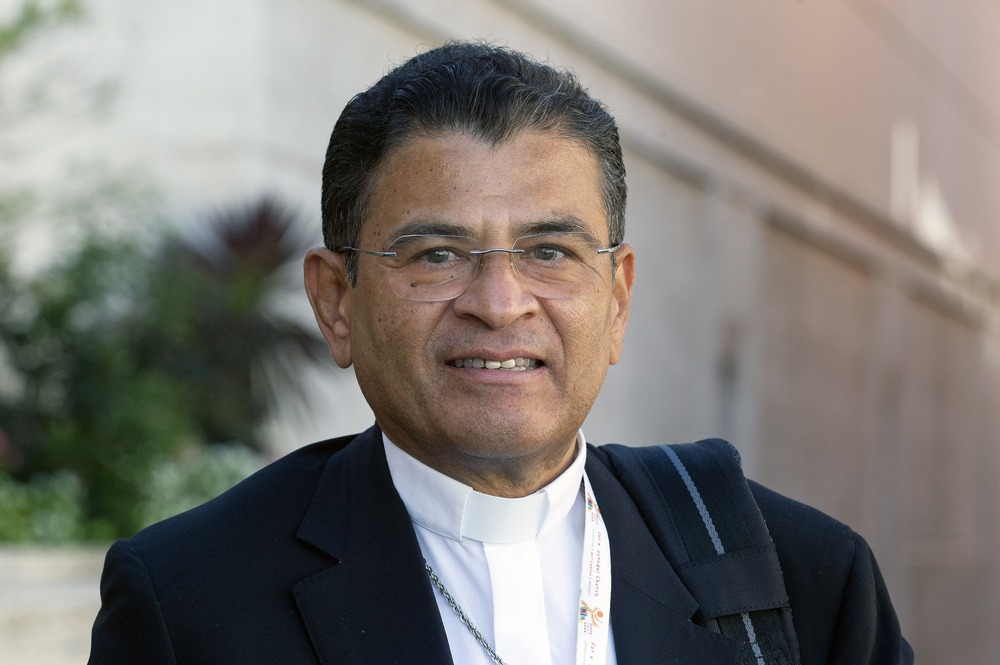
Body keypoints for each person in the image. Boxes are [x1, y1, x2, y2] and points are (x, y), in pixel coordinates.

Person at [88, 41, 912, 664]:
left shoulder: (808, 578)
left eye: (550, 250)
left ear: (617, 297)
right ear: (336, 302)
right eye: (437, 254)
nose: (499, 302)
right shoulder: (189, 604)